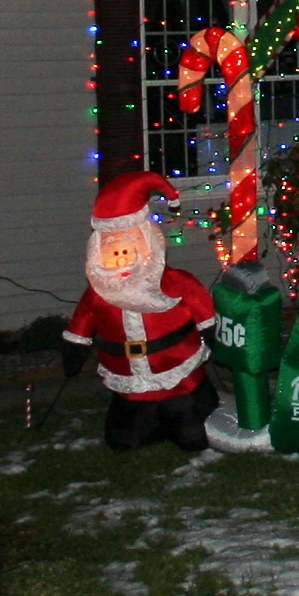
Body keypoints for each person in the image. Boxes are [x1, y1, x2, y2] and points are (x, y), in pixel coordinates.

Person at [60, 172, 220, 451]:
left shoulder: (174, 282)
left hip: (179, 379)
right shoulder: (97, 295)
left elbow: (198, 301)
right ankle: (141, 422)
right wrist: (75, 347)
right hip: (129, 386)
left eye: (128, 247)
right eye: (113, 249)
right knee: (124, 439)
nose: (121, 255)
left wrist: (208, 327)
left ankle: (187, 419)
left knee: (192, 435)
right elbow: (82, 322)